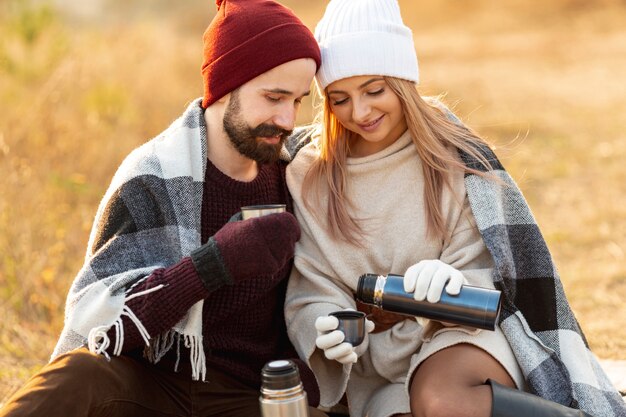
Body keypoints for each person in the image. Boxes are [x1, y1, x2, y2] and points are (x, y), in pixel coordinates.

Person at [284, 0, 626, 417]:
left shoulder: (452, 156)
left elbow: (493, 269)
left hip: (460, 336)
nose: (360, 112)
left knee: (441, 399)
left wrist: (453, 278)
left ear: (403, 81)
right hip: (377, 364)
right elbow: (311, 281)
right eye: (339, 99)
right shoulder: (309, 173)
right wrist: (329, 324)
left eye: (375, 90)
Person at [0, 1, 328, 416]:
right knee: (77, 377)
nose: (286, 119)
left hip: (248, 393)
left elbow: (381, 134)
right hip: (151, 381)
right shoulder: (152, 176)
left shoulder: (295, 171)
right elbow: (104, 324)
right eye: (274, 97)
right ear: (226, 86)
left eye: (298, 101)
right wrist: (212, 264)